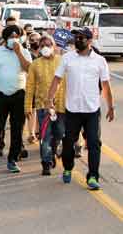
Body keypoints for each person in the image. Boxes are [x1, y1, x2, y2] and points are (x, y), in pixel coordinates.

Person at [47, 27, 116, 190]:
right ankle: (68, 168)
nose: (78, 40)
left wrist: (111, 106)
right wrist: (50, 99)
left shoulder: (100, 61)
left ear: (90, 41)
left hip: (92, 111)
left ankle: (92, 176)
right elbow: (56, 80)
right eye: (76, 37)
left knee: (94, 143)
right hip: (72, 110)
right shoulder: (67, 58)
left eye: (81, 37)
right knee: (68, 142)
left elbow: (106, 85)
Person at [0, 25, 31, 173]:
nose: (14, 40)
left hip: (19, 94)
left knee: (17, 129)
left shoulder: (24, 51)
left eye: (16, 37)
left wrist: (18, 52)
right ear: (5, 38)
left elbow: (29, 68)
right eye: (11, 37)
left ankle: (12, 159)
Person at [26, 35, 66, 176]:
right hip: (43, 106)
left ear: (54, 46)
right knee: (45, 136)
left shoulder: (62, 62)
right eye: (42, 45)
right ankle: (46, 163)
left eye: (48, 45)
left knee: (60, 133)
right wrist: (27, 107)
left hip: (60, 106)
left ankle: (54, 150)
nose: (45, 47)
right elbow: (30, 86)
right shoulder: (35, 65)